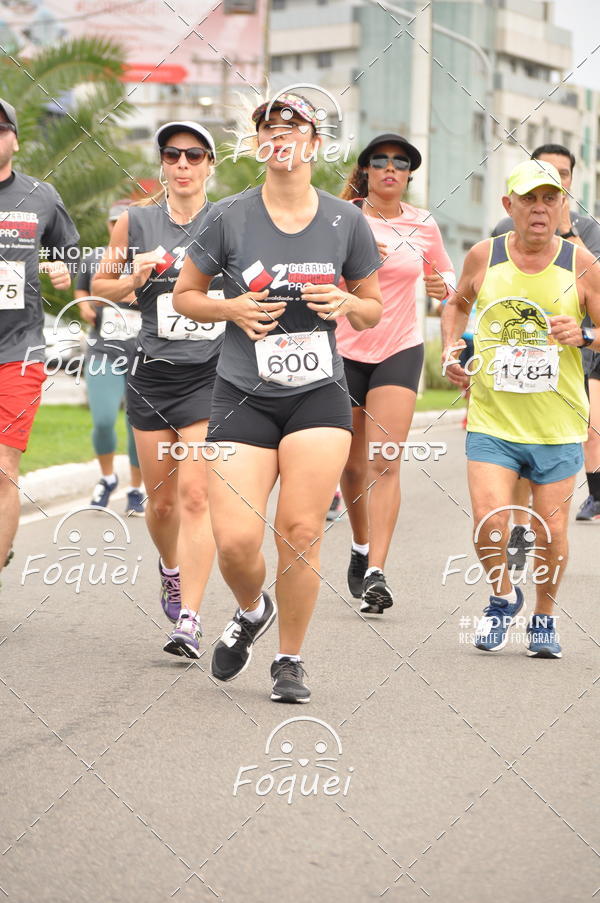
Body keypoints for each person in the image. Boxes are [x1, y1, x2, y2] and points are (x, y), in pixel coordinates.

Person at [173, 92, 383, 703]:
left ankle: (289, 660)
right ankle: (251, 609)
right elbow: (186, 296)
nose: (281, 137)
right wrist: (231, 308)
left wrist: (348, 302)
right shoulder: (229, 216)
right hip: (243, 395)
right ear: (258, 144)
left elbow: (373, 309)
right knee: (237, 542)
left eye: (294, 128)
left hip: (318, 396)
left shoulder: (346, 221)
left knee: (299, 528)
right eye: (269, 129)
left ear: (315, 143)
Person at [442, 159, 600, 659]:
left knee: (551, 531)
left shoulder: (581, 264)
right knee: (490, 520)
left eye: (549, 199)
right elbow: (456, 304)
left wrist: (585, 334)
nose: (539, 208)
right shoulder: (483, 256)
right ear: (508, 205)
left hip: (557, 425)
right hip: (493, 420)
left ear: (562, 205)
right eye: (528, 199)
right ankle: (502, 596)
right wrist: (450, 349)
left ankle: (544, 617)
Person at [92, 120, 223, 658]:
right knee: (163, 503)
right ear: (162, 164)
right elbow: (100, 286)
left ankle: (190, 618)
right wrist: (133, 278)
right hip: (152, 374)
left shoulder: (230, 220)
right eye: (173, 155)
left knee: (195, 495)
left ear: (210, 164)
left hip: (211, 373)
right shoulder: (135, 221)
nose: (183, 165)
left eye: (194, 155)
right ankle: (170, 570)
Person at [337, 133, 454, 612]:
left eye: (400, 163)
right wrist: (359, 267)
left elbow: (450, 281)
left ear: (408, 175)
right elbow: (315, 276)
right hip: (344, 350)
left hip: (399, 349)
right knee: (350, 464)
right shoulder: (342, 217)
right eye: (381, 160)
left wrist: (442, 286)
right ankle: (360, 545)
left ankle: (377, 572)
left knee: (384, 460)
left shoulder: (423, 224)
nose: (390, 168)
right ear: (365, 170)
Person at [492, 144, 600, 542]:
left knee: (577, 433)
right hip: (514, 355)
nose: (544, 199)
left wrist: (565, 229)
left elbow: (594, 277)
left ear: (569, 183)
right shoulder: (503, 228)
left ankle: (569, 510)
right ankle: (522, 525)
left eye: (562, 176)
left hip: (577, 350)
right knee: (518, 443)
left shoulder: (590, 229)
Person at [0, 98, 78, 578]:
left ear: (15, 139)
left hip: (19, 351)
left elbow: (70, 252)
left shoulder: (40, 196)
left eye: (0, 128)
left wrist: (62, 269)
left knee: (4, 467)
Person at [76, 201, 144, 516]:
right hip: (104, 350)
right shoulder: (94, 258)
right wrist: (84, 306)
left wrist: (124, 292)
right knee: (103, 419)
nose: (120, 228)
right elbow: (83, 289)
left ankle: (136, 488)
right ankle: (107, 478)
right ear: (109, 226)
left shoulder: (149, 260)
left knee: (136, 425)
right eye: (115, 223)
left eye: (125, 223)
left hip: (143, 354)